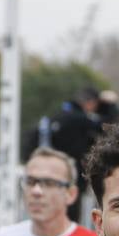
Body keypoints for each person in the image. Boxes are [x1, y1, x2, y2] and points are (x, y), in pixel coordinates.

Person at [25, 86, 105, 222]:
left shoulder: (57, 115)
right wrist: (110, 106)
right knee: (71, 216)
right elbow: (106, 127)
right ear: (90, 102)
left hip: (52, 174)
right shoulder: (80, 118)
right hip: (73, 176)